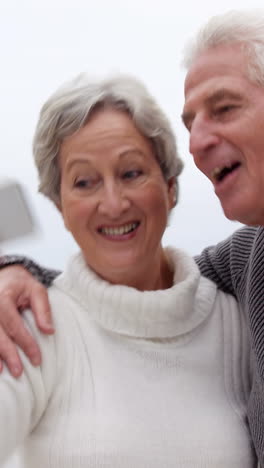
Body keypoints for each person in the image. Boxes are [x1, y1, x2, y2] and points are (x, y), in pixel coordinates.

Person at [1, 72, 256, 467]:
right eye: (85, 182)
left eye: (131, 173)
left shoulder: (239, 319)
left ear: (170, 186)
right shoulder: (31, 326)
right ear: (60, 208)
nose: (114, 203)